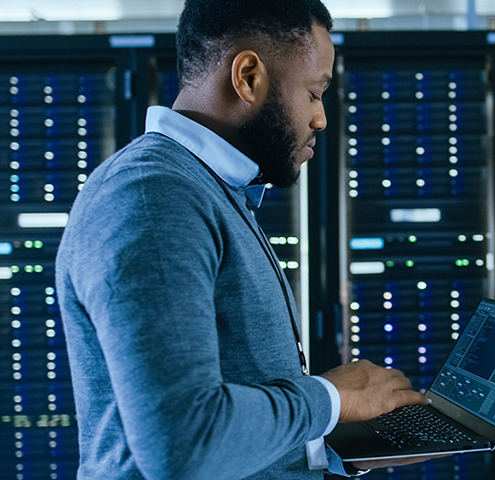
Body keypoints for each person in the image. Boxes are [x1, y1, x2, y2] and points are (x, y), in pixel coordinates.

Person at [55, 1, 430, 478]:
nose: (321, 119)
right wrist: (334, 397)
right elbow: (183, 443)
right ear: (248, 76)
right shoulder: (154, 197)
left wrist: (329, 451)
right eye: (314, 93)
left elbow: (224, 425)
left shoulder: (211, 190)